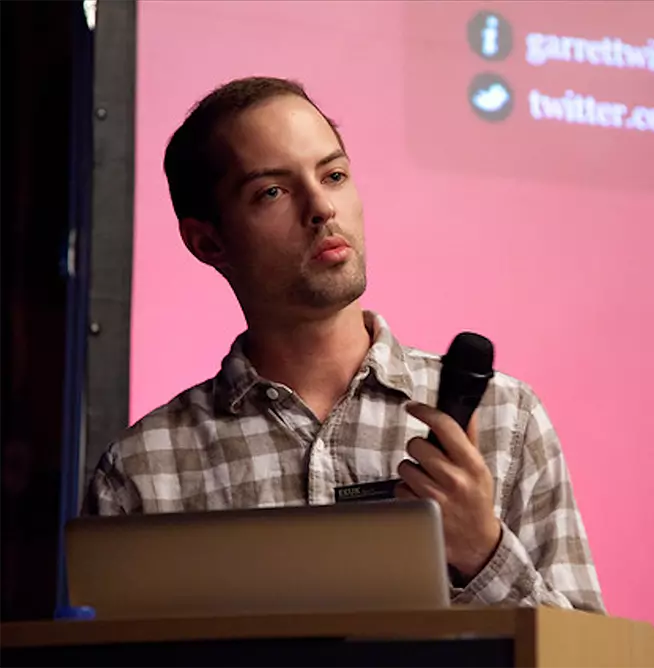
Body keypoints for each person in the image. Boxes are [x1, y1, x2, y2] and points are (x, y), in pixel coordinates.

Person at [84, 76, 604, 613]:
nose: (322, 208)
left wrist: (482, 551)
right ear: (208, 241)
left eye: (333, 175)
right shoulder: (143, 471)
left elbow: (594, 656)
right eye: (273, 192)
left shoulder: (506, 419)